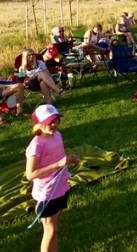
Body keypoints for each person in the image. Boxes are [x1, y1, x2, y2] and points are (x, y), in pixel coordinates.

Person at [25, 104, 79, 252]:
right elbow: (30, 175)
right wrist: (58, 164)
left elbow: (59, 157)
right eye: (50, 122)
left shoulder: (57, 135)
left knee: (54, 230)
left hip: (61, 187)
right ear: (39, 124)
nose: (55, 124)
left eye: (57, 120)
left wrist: (69, 159)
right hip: (46, 194)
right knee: (49, 231)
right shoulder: (36, 145)